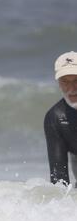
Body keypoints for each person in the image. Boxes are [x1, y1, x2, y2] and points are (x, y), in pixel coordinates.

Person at [44, 51, 77, 186]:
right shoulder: (56, 118)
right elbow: (59, 181)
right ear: (58, 83)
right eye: (65, 82)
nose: (72, 89)